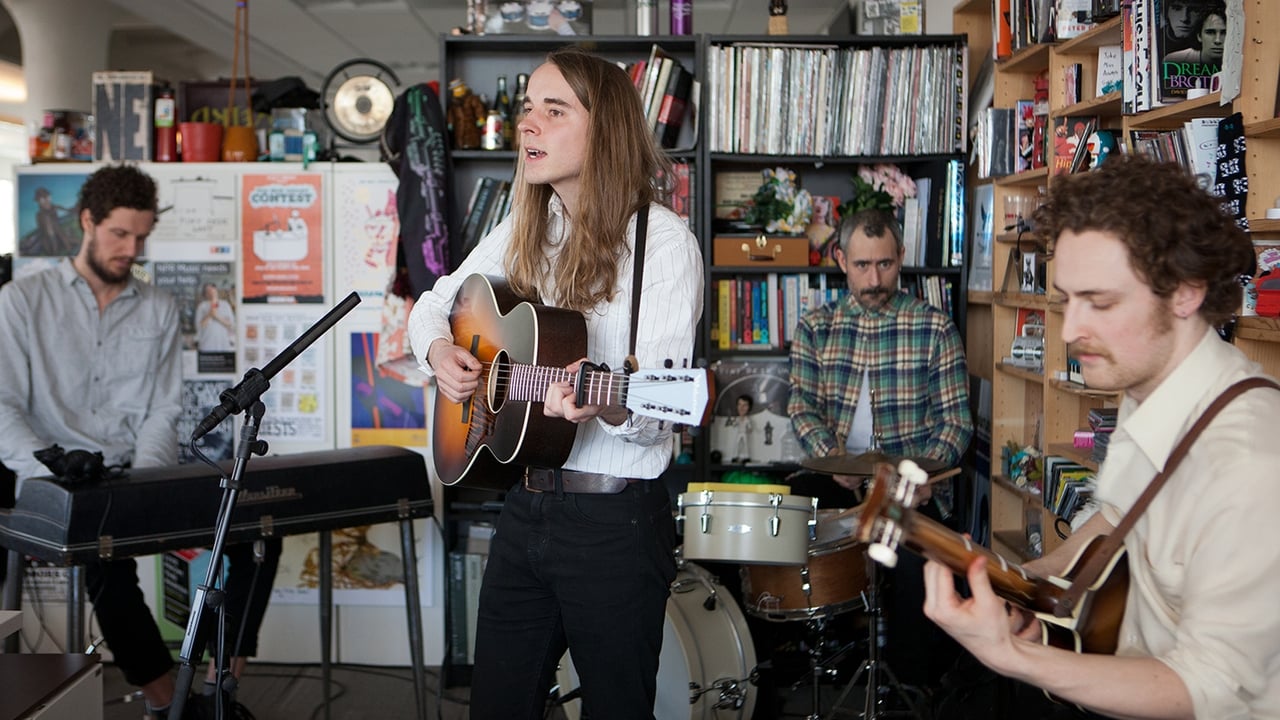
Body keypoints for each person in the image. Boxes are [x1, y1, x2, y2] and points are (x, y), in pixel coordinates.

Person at [922, 155, 1280, 718]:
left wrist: (1013, 655)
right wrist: (1025, 581)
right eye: (1068, 299)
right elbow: (1115, 519)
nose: (1071, 331)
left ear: (1186, 292)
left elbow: (1209, 688)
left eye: (1102, 302)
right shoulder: (1153, 389)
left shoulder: (1249, 463)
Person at [407, 46, 702, 719]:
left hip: (615, 522)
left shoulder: (663, 243)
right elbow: (433, 303)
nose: (528, 124)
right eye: (526, 108)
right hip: (524, 504)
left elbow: (655, 404)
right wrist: (437, 351)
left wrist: (605, 400)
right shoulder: (525, 228)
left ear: (606, 129)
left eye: (554, 109)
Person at [0, 164, 279, 720]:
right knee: (108, 559)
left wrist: (148, 487)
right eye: (120, 234)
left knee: (259, 522)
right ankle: (168, 703)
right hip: (52, 476)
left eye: (142, 237)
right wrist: (46, 470)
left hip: (134, 469)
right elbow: (2, 404)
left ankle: (221, 687)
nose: (132, 248)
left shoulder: (157, 308)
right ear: (87, 221)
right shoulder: (21, 300)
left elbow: (163, 409)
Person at [787, 207, 973, 697]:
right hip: (834, 480)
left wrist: (916, 480)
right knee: (784, 537)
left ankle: (912, 686)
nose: (874, 279)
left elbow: (955, 422)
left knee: (914, 574)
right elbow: (801, 406)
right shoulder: (815, 327)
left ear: (902, 259)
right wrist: (831, 458)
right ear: (841, 260)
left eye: (886, 265)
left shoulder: (934, 327)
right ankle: (806, 675)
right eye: (863, 266)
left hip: (912, 490)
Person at [195, 283, 236, 353]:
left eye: (213, 290)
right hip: (206, 346)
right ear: (205, 294)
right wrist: (210, 314)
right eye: (209, 291)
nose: (211, 292)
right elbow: (200, 326)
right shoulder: (202, 306)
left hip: (223, 346)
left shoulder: (225, 305)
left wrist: (216, 316)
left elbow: (231, 325)